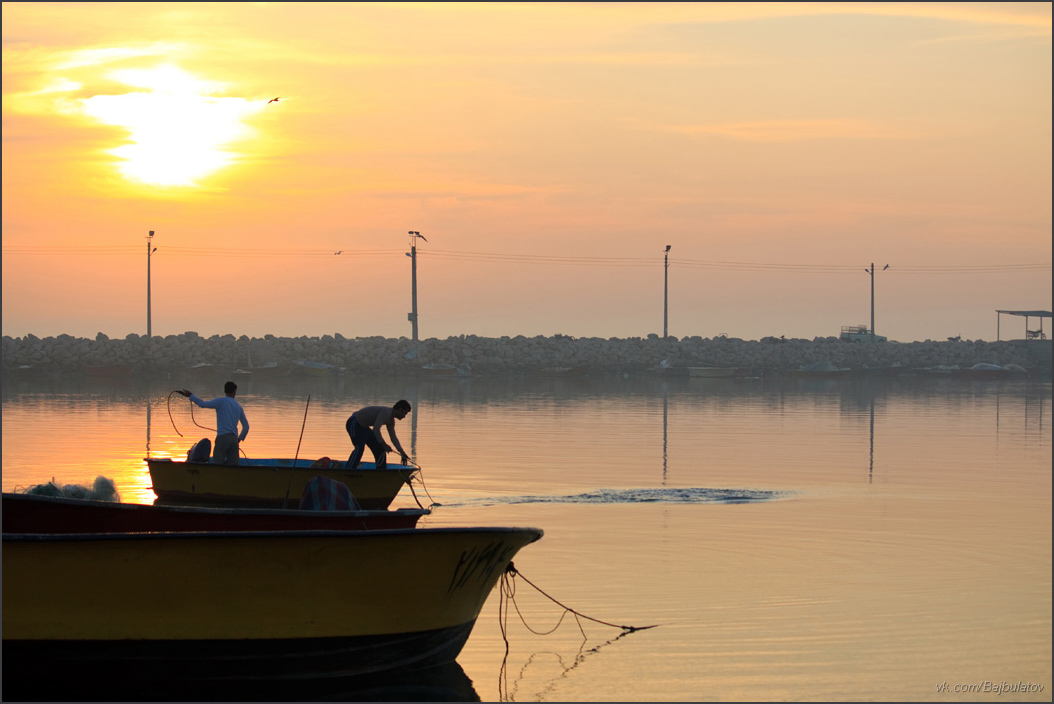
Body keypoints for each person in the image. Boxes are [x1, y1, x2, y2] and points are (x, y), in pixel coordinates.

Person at [178, 381, 249, 465]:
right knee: (235, 466)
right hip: (234, 439)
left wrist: (190, 396)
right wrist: (239, 439)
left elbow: (202, 404)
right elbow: (246, 427)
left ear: (225, 391)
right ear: (234, 392)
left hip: (222, 438)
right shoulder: (238, 406)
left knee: (217, 464)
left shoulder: (220, 401)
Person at [345, 400, 411, 469]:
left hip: (364, 428)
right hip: (354, 423)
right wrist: (384, 444)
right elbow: (376, 429)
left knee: (380, 450)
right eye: (405, 413)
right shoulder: (386, 413)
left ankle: (380, 473)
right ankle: (349, 470)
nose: (404, 416)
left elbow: (393, 437)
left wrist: (402, 453)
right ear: (400, 410)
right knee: (359, 448)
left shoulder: (391, 421)